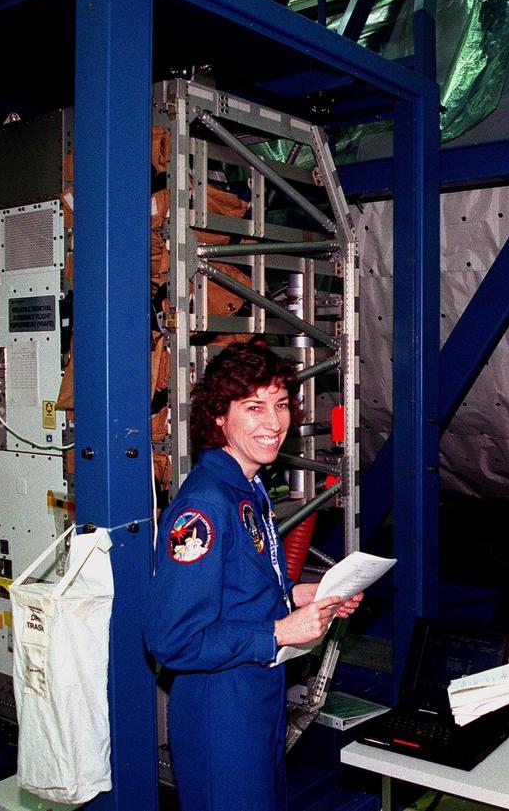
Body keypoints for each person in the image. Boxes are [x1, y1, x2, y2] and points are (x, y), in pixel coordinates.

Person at [145, 341, 362, 811]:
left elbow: (239, 587)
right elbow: (172, 639)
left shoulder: (248, 488)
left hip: (259, 696)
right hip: (219, 705)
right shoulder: (205, 507)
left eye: (281, 405)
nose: (274, 422)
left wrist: (301, 594)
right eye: (254, 407)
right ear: (219, 416)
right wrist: (279, 631)